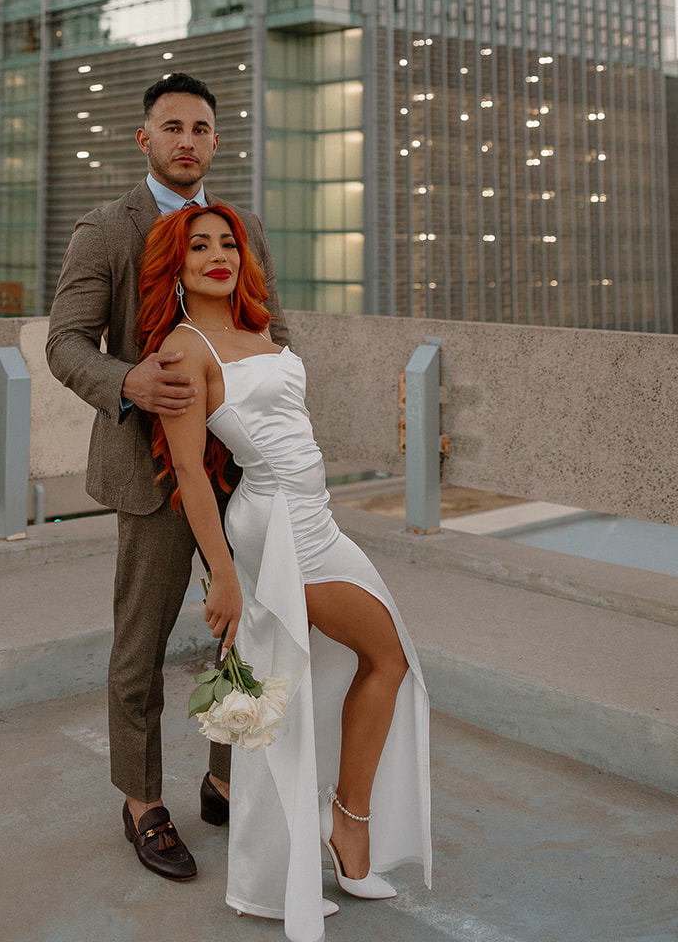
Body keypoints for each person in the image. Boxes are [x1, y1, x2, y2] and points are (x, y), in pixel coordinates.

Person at [136, 200, 432, 942]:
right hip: (274, 528)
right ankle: (324, 840)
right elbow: (190, 474)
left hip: (318, 517)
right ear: (176, 264)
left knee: (354, 670)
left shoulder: (258, 328)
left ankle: (337, 826)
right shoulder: (182, 349)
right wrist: (225, 575)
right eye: (198, 245)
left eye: (227, 243)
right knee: (374, 659)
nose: (218, 255)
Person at [46, 72, 290, 882]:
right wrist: (128, 382)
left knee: (243, 632)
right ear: (144, 139)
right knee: (140, 648)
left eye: (201, 128)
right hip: (148, 479)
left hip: (239, 471)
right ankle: (142, 802)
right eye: (171, 127)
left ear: (216, 142)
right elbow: (64, 342)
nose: (187, 139)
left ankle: (223, 777)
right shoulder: (106, 231)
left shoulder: (237, 225)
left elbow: (271, 329)